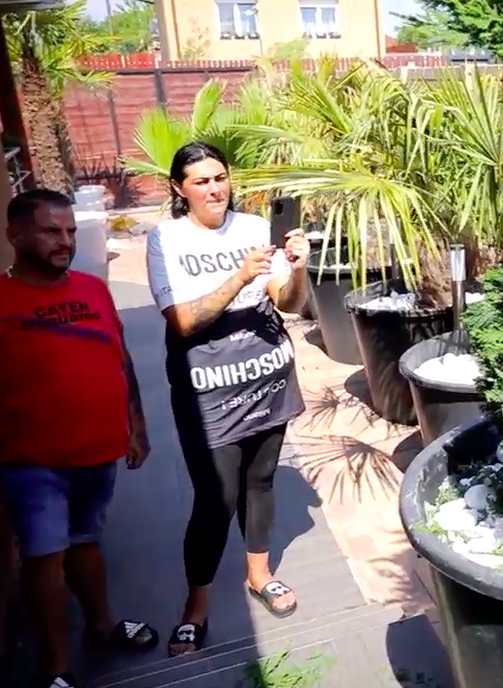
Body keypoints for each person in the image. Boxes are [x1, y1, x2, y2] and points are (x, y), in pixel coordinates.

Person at [0, 189, 158, 688]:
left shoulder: (93, 289)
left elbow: (121, 359)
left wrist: (136, 426)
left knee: (87, 541)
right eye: (52, 231)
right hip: (30, 462)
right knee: (45, 556)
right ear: (16, 236)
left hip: (97, 451)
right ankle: (55, 668)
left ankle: (102, 626)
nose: (66, 241)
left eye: (70, 231)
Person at [145, 142, 309, 657]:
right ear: (179, 189)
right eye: (201, 181)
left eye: (220, 178)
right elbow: (182, 321)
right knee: (215, 498)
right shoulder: (166, 239)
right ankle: (196, 605)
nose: (215, 189)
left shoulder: (255, 227)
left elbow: (287, 302)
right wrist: (239, 276)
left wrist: (298, 269)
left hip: (265, 374)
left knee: (260, 481)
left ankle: (259, 574)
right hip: (206, 387)